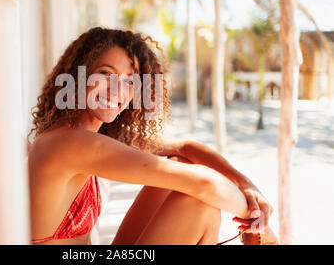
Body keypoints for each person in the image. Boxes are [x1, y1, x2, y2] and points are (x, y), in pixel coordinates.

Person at [28, 27, 278, 245]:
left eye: (129, 81)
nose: (118, 90)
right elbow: (206, 185)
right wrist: (262, 230)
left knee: (182, 165)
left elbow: (184, 148)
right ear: (78, 75)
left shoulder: (89, 134)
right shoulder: (69, 143)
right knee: (199, 204)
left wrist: (247, 185)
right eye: (105, 74)